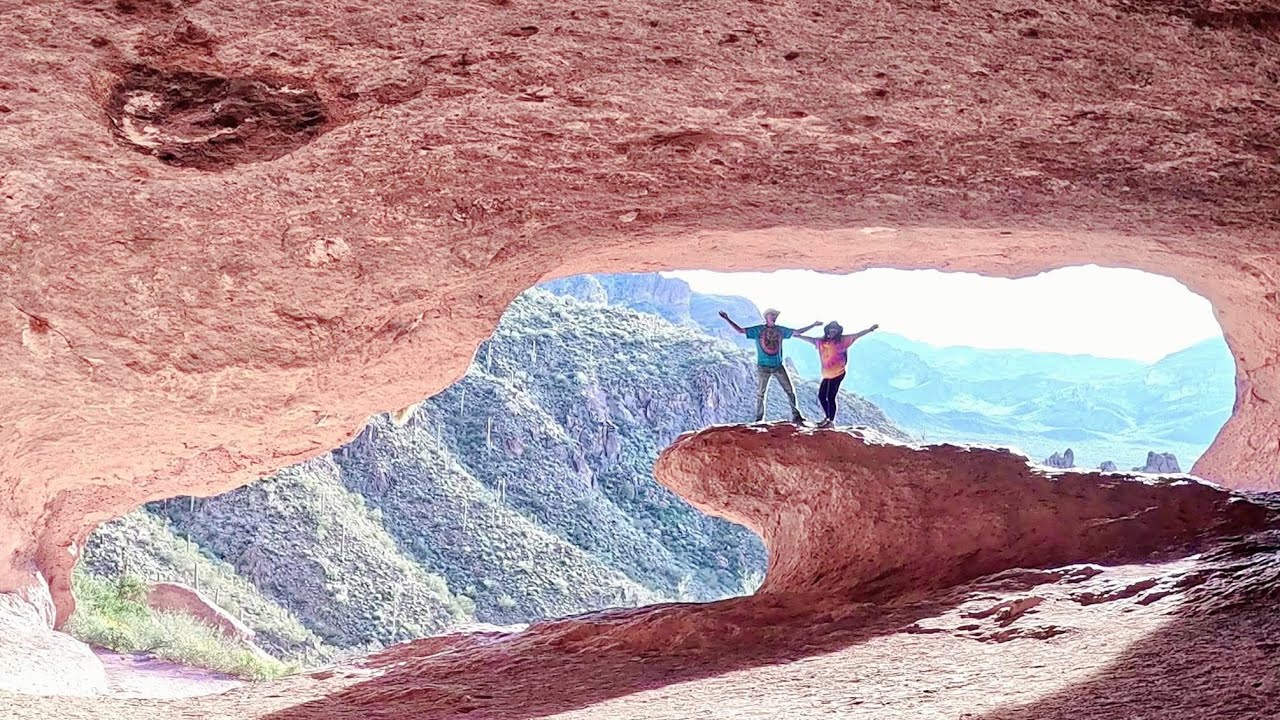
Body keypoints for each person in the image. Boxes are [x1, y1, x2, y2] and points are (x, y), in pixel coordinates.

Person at [719, 308, 821, 423]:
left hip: (778, 366)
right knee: (761, 393)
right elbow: (741, 331)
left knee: (790, 390)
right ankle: (759, 418)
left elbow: (797, 332)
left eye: (775, 315)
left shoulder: (781, 330)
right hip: (763, 367)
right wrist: (727, 319)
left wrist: (813, 325)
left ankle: (796, 415)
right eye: (772, 314)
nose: (774, 316)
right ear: (766, 316)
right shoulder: (758, 330)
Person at [796, 321, 879, 428]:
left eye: (835, 329)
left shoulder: (843, 341)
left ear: (839, 331)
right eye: (831, 328)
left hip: (838, 373)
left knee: (830, 397)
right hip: (827, 374)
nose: (833, 331)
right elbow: (811, 340)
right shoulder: (822, 342)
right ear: (827, 330)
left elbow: (857, 335)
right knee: (822, 396)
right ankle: (828, 418)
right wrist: (799, 336)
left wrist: (870, 329)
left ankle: (831, 421)